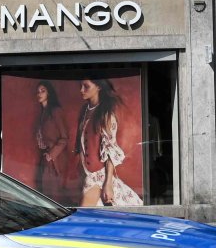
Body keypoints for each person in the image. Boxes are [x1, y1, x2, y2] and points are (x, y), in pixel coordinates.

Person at [75, 77, 140, 207]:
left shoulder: (106, 114)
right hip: (86, 175)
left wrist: (108, 183)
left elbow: (110, 149)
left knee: (83, 217)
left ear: (98, 87)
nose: (81, 90)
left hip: (98, 177)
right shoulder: (84, 110)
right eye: (80, 86)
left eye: (86, 86)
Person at [32, 81, 68, 202]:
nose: (39, 94)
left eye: (43, 91)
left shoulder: (56, 111)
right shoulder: (43, 114)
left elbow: (65, 137)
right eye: (38, 92)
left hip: (54, 160)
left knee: (53, 196)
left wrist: (51, 155)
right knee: (44, 194)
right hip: (44, 158)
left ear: (49, 93)